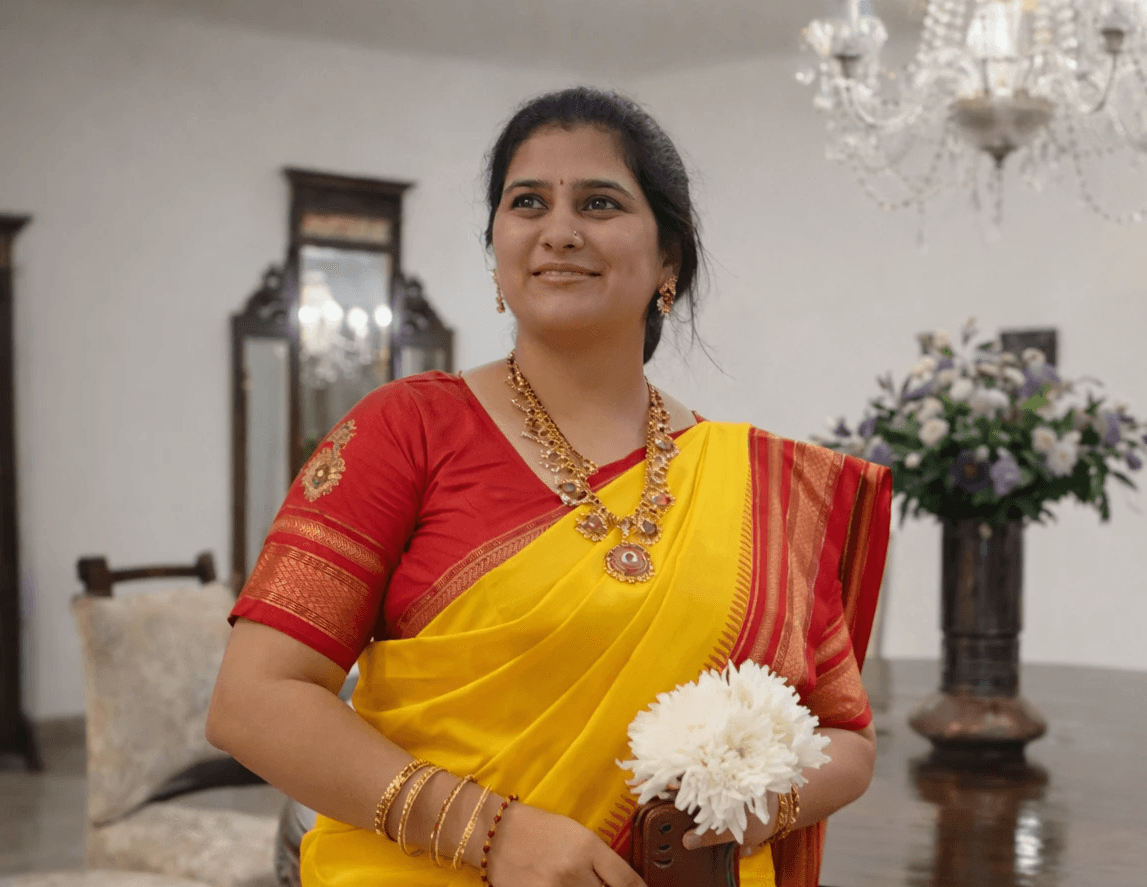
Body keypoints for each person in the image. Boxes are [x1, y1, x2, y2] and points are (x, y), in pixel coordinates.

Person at [207, 86, 892, 887]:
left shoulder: (760, 486)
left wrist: (743, 799)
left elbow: (845, 738)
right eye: (526, 201)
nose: (559, 231)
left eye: (599, 202)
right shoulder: (407, 430)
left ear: (668, 259)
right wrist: (491, 834)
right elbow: (252, 699)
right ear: (497, 246)